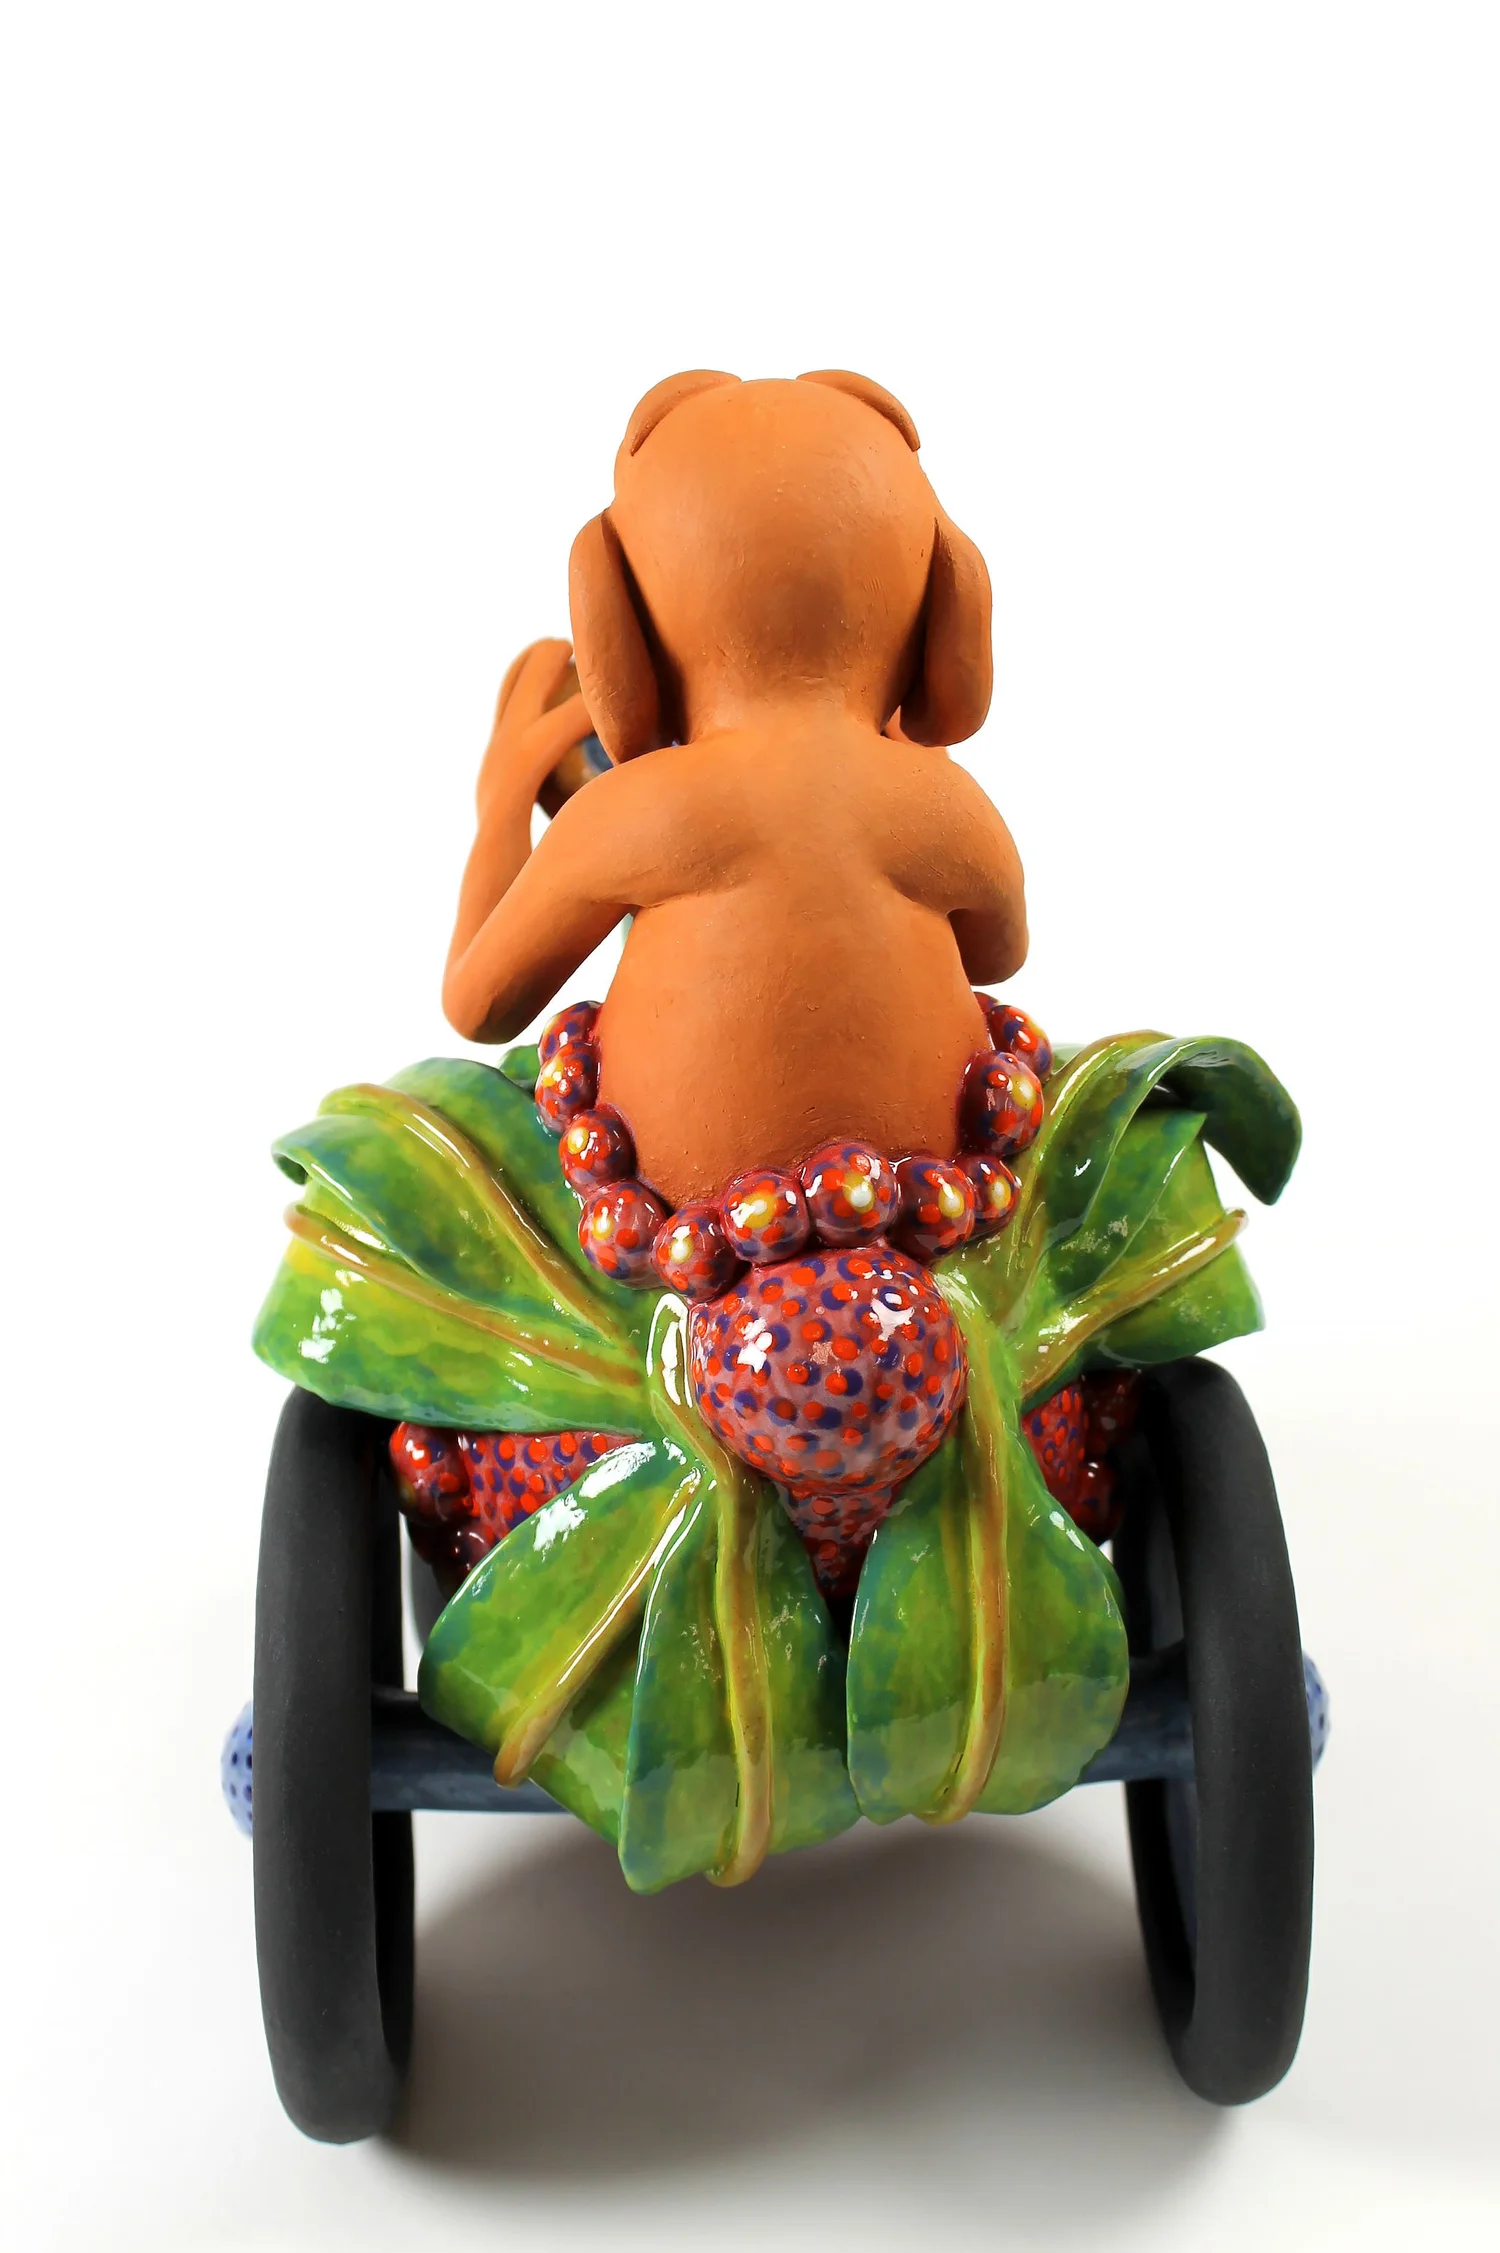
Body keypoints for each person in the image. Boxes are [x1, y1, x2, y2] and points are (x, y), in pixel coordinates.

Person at [442, 369, 1028, 1209]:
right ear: (946, 595)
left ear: (613, 612)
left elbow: (480, 1004)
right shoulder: (946, 805)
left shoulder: (635, 810)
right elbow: (998, 955)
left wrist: (502, 801)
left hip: (672, 1220)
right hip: (925, 1203)